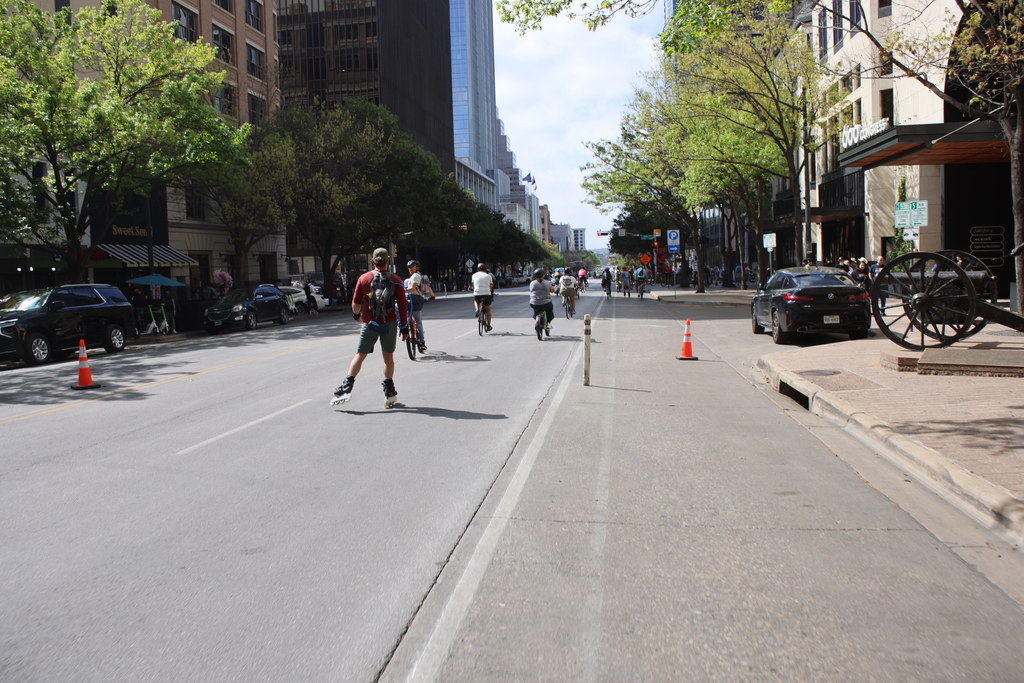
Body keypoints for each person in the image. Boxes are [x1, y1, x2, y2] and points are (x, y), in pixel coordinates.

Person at [331, 248, 409, 408]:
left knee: (359, 355)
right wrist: (404, 327)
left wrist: (356, 315)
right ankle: (389, 391)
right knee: (388, 357)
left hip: (370, 323)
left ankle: (347, 385)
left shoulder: (364, 278)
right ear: (388, 261)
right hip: (389, 323)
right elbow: (402, 306)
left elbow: (356, 303)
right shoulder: (396, 280)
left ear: (373, 261)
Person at [404, 260, 427, 352]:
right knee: (416, 322)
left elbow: (412, 288)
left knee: (418, 322)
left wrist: (401, 290)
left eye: (412, 267)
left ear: (417, 268)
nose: (410, 269)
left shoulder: (415, 276)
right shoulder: (412, 277)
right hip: (410, 299)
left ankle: (422, 341)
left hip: (415, 300)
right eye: (409, 267)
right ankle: (419, 339)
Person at [529, 268, 555, 334]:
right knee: (549, 309)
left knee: (536, 309)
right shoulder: (547, 283)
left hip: (534, 302)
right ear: (543, 275)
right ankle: (548, 322)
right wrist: (554, 290)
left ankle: (536, 318)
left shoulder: (532, 283)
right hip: (546, 303)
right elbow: (551, 290)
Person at [472, 263, 495, 331]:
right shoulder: (488, 276)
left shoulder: (474, 275)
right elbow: (491, 286)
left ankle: (477, 309)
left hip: (477, 293)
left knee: (476, 301)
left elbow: (473, 286)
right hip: (487, 294)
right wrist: (489, 293)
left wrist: (475, 291)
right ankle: (488, 325)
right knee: (488, 310)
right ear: (485, 269)